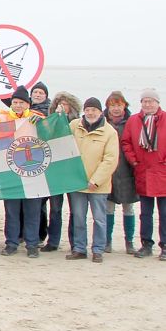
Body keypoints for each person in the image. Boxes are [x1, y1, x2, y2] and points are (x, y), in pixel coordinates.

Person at [67, 97, 119, 263]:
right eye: (87, 110)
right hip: (77, 182)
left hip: (98, 185)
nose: (90, 113)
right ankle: (79, 248)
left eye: (94, 110)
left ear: (100, 111)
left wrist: (96, 180)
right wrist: (59, 114)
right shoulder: (75, 125)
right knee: (79, 218)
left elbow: (110, 159)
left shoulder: (109, 131)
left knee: (99, 219)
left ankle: (98, 250)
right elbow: (59, 135)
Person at [0, 86, 46, 257]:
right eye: (15, 102)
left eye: (21, 103)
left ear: (27, 104)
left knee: (32, 210)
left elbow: (51, 129)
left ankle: (32, 244)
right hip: (10, 171)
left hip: (33, 170)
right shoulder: (2, 118)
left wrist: (58, 115)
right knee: (11, 210)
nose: (17, 105)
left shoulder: (35, 118)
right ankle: (11, 243)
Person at [121, 89, 166, 260]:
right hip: (143, 172)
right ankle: (146, 244)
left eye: (151, 101)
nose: (147, 104)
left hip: (163, 172)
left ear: (157, 102)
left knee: (165, 212)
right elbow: (126, 142)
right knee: (145, 212)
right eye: (144, 101)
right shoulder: (134, 120)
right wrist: (134, 161)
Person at [41, 91, 81, 251]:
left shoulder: (79, 123)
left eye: (65, 104)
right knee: (55, 209)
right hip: (55, 172)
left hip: (72, 172)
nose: (62, 107)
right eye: (59, 104)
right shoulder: (50, 122)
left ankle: (75, 242)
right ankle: (53, 241)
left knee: (75, 210)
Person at [104, 91, 138, 254]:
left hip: (127, 171)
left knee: (128, 208)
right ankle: (107, 241)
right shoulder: (102, 122)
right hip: (108, 171)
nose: (116, 109)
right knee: (108, 208)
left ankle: (129, 242)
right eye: (112, 105)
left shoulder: (132, 122)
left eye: (119, 105)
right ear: (108, 107)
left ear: (124, 105)